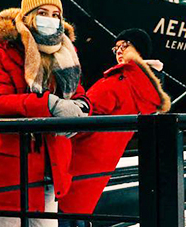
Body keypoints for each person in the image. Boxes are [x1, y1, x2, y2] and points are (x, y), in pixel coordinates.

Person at [0, 0, 92, 227]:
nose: (51, 20)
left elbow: (79, 93)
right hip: (11, 172)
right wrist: (49, 104)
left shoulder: (64, 54)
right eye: (43, 13)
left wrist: (81, 109)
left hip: (51, 168)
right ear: (27, 16)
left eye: (55, 15)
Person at [57, 28, 171, 223]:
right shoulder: (144, 89)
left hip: (78, 158)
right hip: (99, 165)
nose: (119, 50)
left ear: (140, 50)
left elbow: (83, 114)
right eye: (116, 47)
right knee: (78, 212)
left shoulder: (119, 81)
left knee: (61, 212)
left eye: (125, 45)